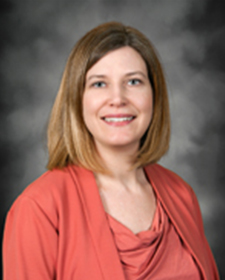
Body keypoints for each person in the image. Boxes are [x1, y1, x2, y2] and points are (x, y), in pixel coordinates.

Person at [3, 22, 219, 280]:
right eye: (99, 84)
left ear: (154, 95)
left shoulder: (181, 195)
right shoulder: (39, 207)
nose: (118, 98)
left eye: (134, 81)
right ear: (77, 99)